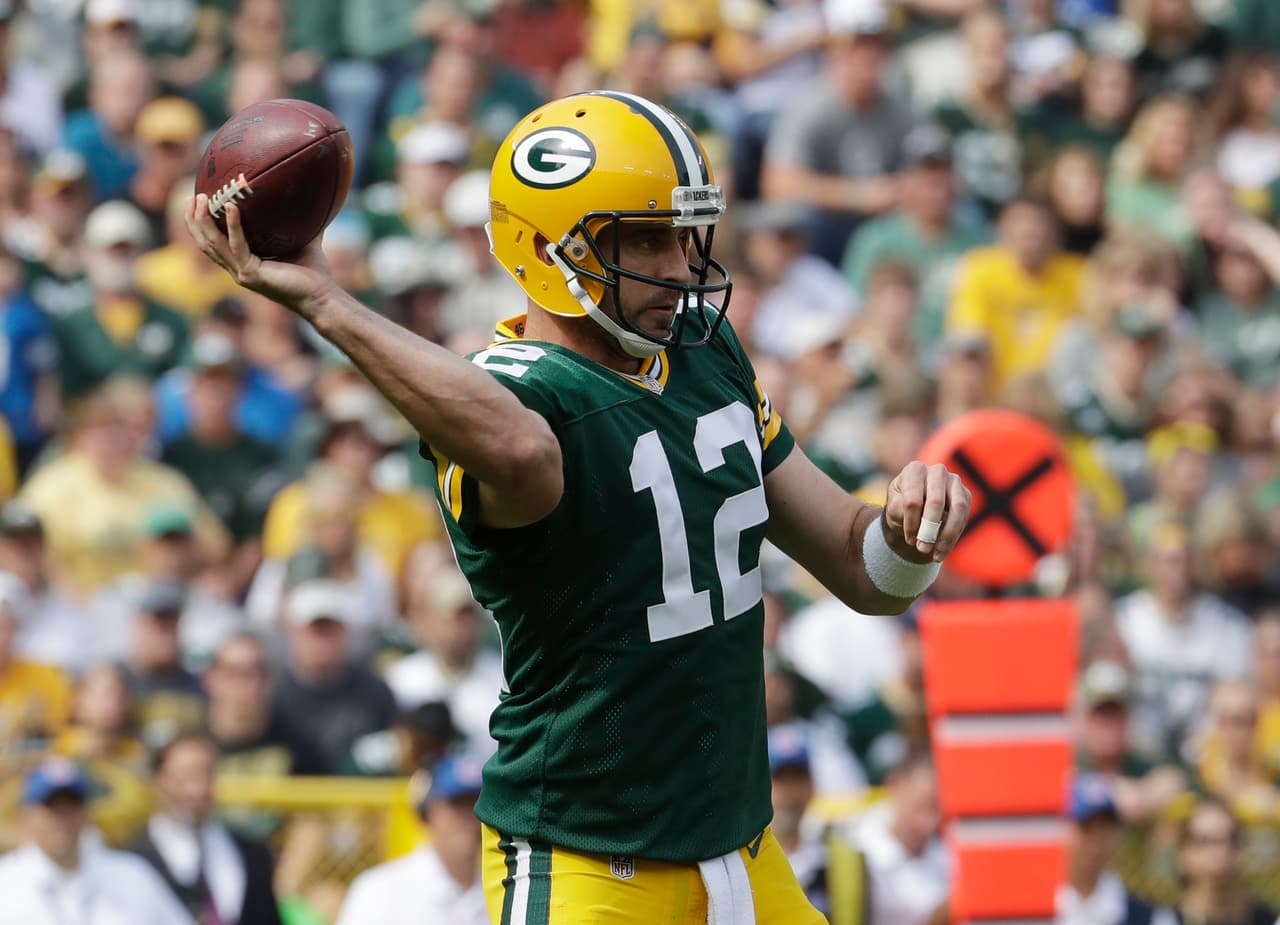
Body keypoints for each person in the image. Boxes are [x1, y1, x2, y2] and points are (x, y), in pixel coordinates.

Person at [187, 89, 970, 924]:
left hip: (744, 849)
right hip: (589, 863)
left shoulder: (705, 353)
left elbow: (864, 572)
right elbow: (522, 446)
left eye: (681, 236)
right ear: (545, 250)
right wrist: (326, 303)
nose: (674, 266)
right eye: (641, 239)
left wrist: (904, 530)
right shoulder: (514, 396)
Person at [0, 758, 195, 925]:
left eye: (71, 807)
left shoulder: (132, 874)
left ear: (87, 813)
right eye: (51, 809)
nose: (62, 819)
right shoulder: (6, 883)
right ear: (27, 816)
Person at [129, 732, 283, 925]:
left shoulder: (253, 854)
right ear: (157, 780)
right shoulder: (133, 860)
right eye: (184, 776)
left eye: (207, 773)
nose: (198, 788)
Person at [334, 751, 489, 925]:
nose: (471, 816)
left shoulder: (500, 889)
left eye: (478, 805)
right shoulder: (379, 890)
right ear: (428, 812)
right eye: (458, 805)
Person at [1055, 773, 1170, 925]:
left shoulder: (1148, 917)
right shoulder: (1037, 908)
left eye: (1105, 830)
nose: (1096, 842)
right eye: (1087, 829)